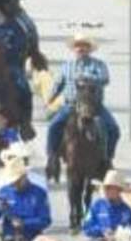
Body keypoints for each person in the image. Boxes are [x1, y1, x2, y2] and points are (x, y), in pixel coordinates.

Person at [44, 29, 119, 176]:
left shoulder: (98, 65)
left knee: (113, 129)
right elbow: (59, 83)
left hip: (94, 106)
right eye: (78, 46)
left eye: (84, 46)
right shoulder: (67, 65)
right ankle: (52, 158)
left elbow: (105, 79)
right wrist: (51, 97)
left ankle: (107, 159)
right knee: (54, 126)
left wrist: (87, 77)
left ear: (89, 49)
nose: (81, 48)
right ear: (74, 49)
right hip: (71, 105)